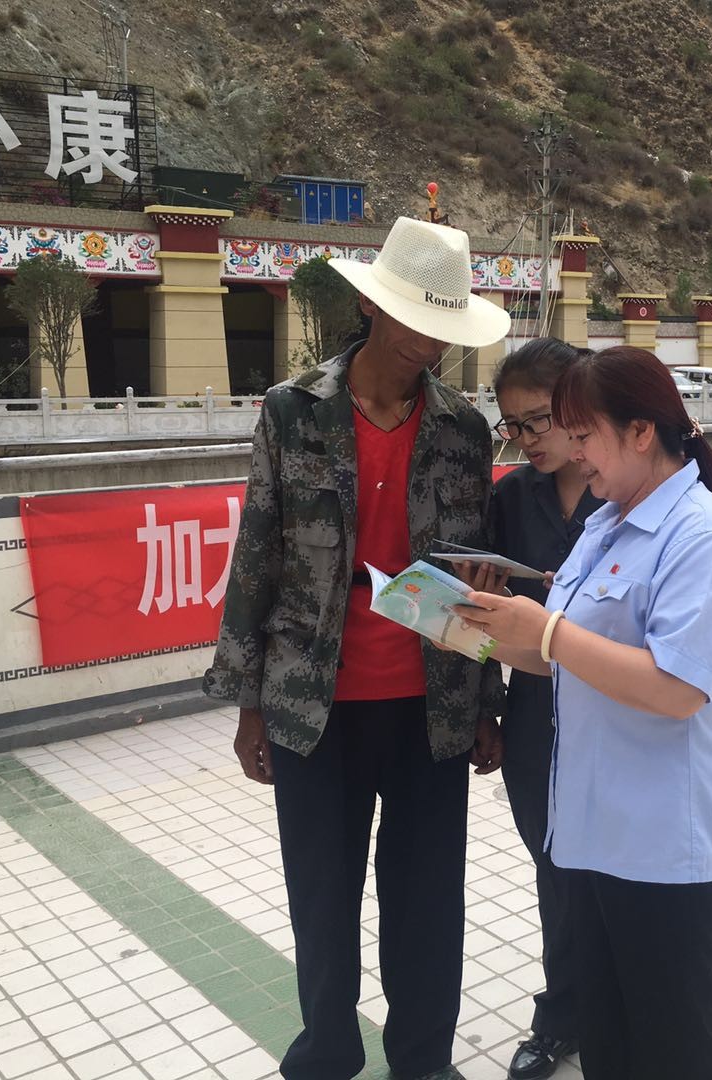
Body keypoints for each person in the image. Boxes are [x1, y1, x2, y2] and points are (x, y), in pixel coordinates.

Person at [203, 216, 511, 1080]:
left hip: (430, 708)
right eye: (417, 320)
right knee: (322, 899)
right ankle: (327, 1055)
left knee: (427, 903)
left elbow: (478, 577)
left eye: (445, 328)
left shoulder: (463, 430)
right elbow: (256, 554)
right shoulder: (293, 412)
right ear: (374, 307)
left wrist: (486, 704)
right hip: (314, 706)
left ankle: (424, 1060)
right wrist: (250, 704)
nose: (430, 345)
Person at [455, 346, 712, 1080]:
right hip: (592, 837)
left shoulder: (703, 539)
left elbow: (676, 689)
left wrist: (548, 632)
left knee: (680, 1048)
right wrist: (470, 628)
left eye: (582, 435)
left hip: (664, 848)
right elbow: (559, 658)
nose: (572, 453)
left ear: (641, 432)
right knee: (611, 1043)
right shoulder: (608, 526)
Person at [486, 339, 603, 1080]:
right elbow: (491, 608)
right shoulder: (510, 498)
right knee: (555, 872)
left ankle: (616, 1010)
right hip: (535, 717)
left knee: (611, 877)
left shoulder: (624, 490)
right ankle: (561, 1018)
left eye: (538, 421)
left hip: (615, 715)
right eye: (513, 425)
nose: (526, 439)